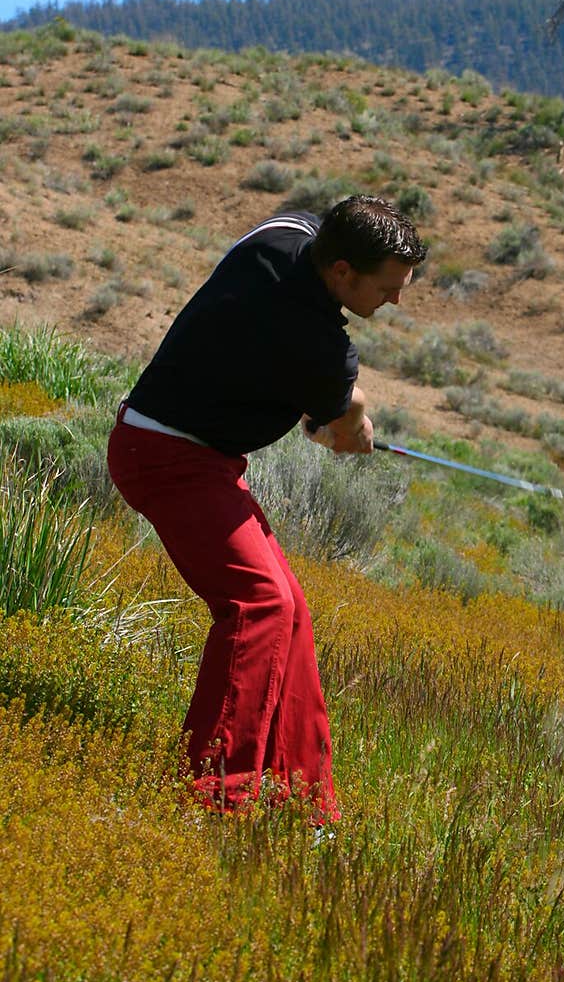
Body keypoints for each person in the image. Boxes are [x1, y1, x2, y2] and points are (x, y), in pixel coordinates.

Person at [107, 194, 427, 830]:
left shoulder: (284, 234)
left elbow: (304, 392)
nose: (396, 302)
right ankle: (214, 797)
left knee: (292, 611)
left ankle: (306, 800)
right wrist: (354, 421)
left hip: (188, 454)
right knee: (260, 606)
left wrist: (332, 411)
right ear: (341, 271)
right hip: (165, 456)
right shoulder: (322, 347)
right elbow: (338, 419)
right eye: (389, 288)